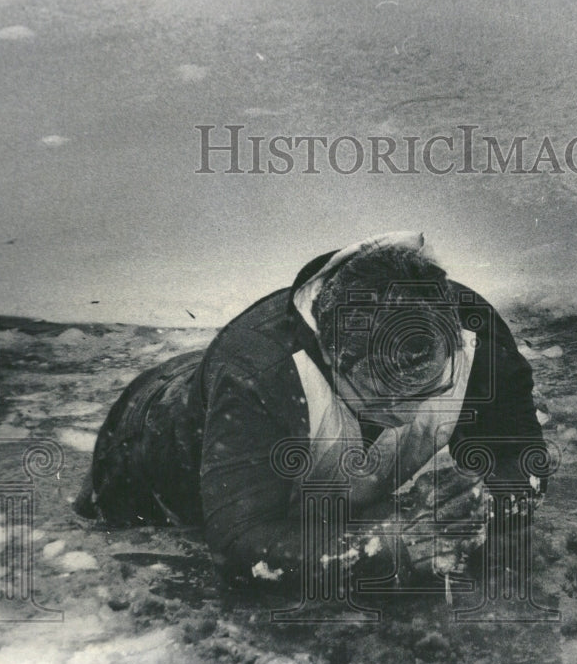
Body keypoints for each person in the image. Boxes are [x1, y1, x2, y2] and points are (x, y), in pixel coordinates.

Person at [75, 231, 550, 591]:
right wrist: (391, 544)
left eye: (431, 388)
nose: (407, 416)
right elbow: (238, 548)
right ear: (332, 357)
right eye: (380, 398)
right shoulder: (261, 376)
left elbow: (519, 464)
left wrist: (485, 505)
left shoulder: (476, 339)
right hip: (150, 452)